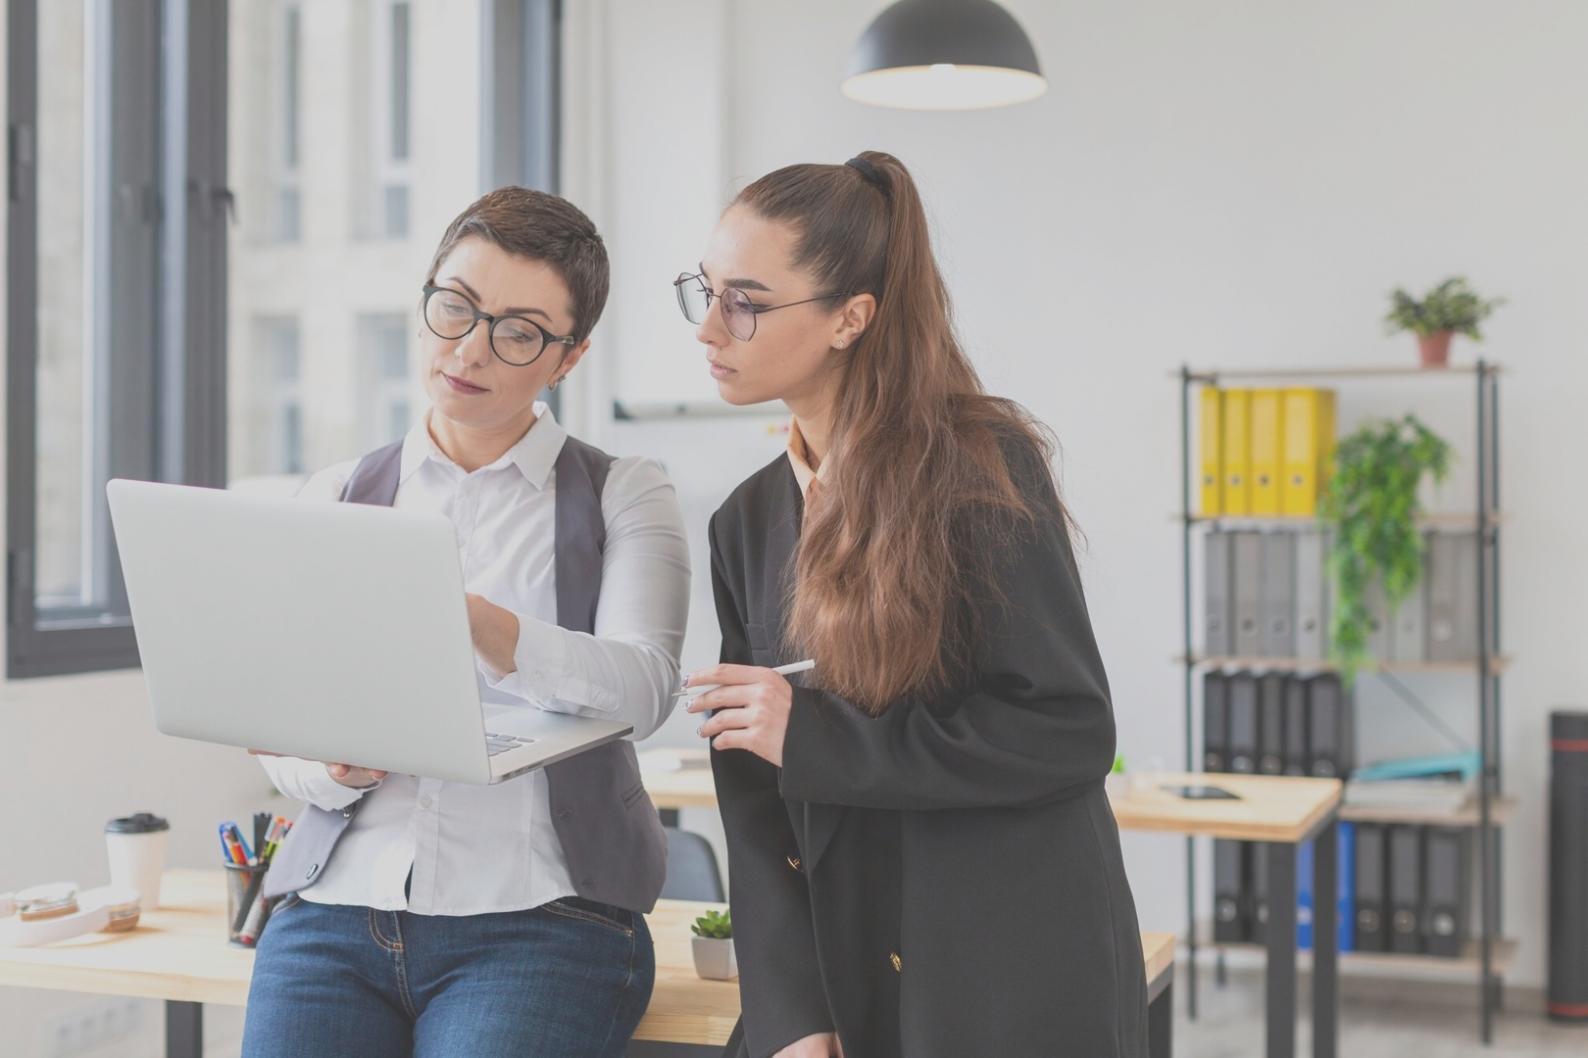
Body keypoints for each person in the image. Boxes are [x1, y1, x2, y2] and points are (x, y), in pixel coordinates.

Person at [676, 151, 1148, 1058]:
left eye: (745, 300)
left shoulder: (981, 468)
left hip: (1001, 967)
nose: (708, 328)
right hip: (842, 969)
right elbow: (754, 800)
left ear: (851, 318)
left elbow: (1064, 727)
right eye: (704, 290)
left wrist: (814, 738)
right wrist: (792, 1015)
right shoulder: (746, 521)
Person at [241, 187, 691, 1058]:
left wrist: (479, 624)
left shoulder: (625, 491)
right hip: (333, 912)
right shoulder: (334, 495)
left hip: (542, 922)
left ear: (569, 356)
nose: (470, 349)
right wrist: (329, 768)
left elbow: (646, 688)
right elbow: (275, 729)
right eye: (454, 308)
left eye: (517, 330)